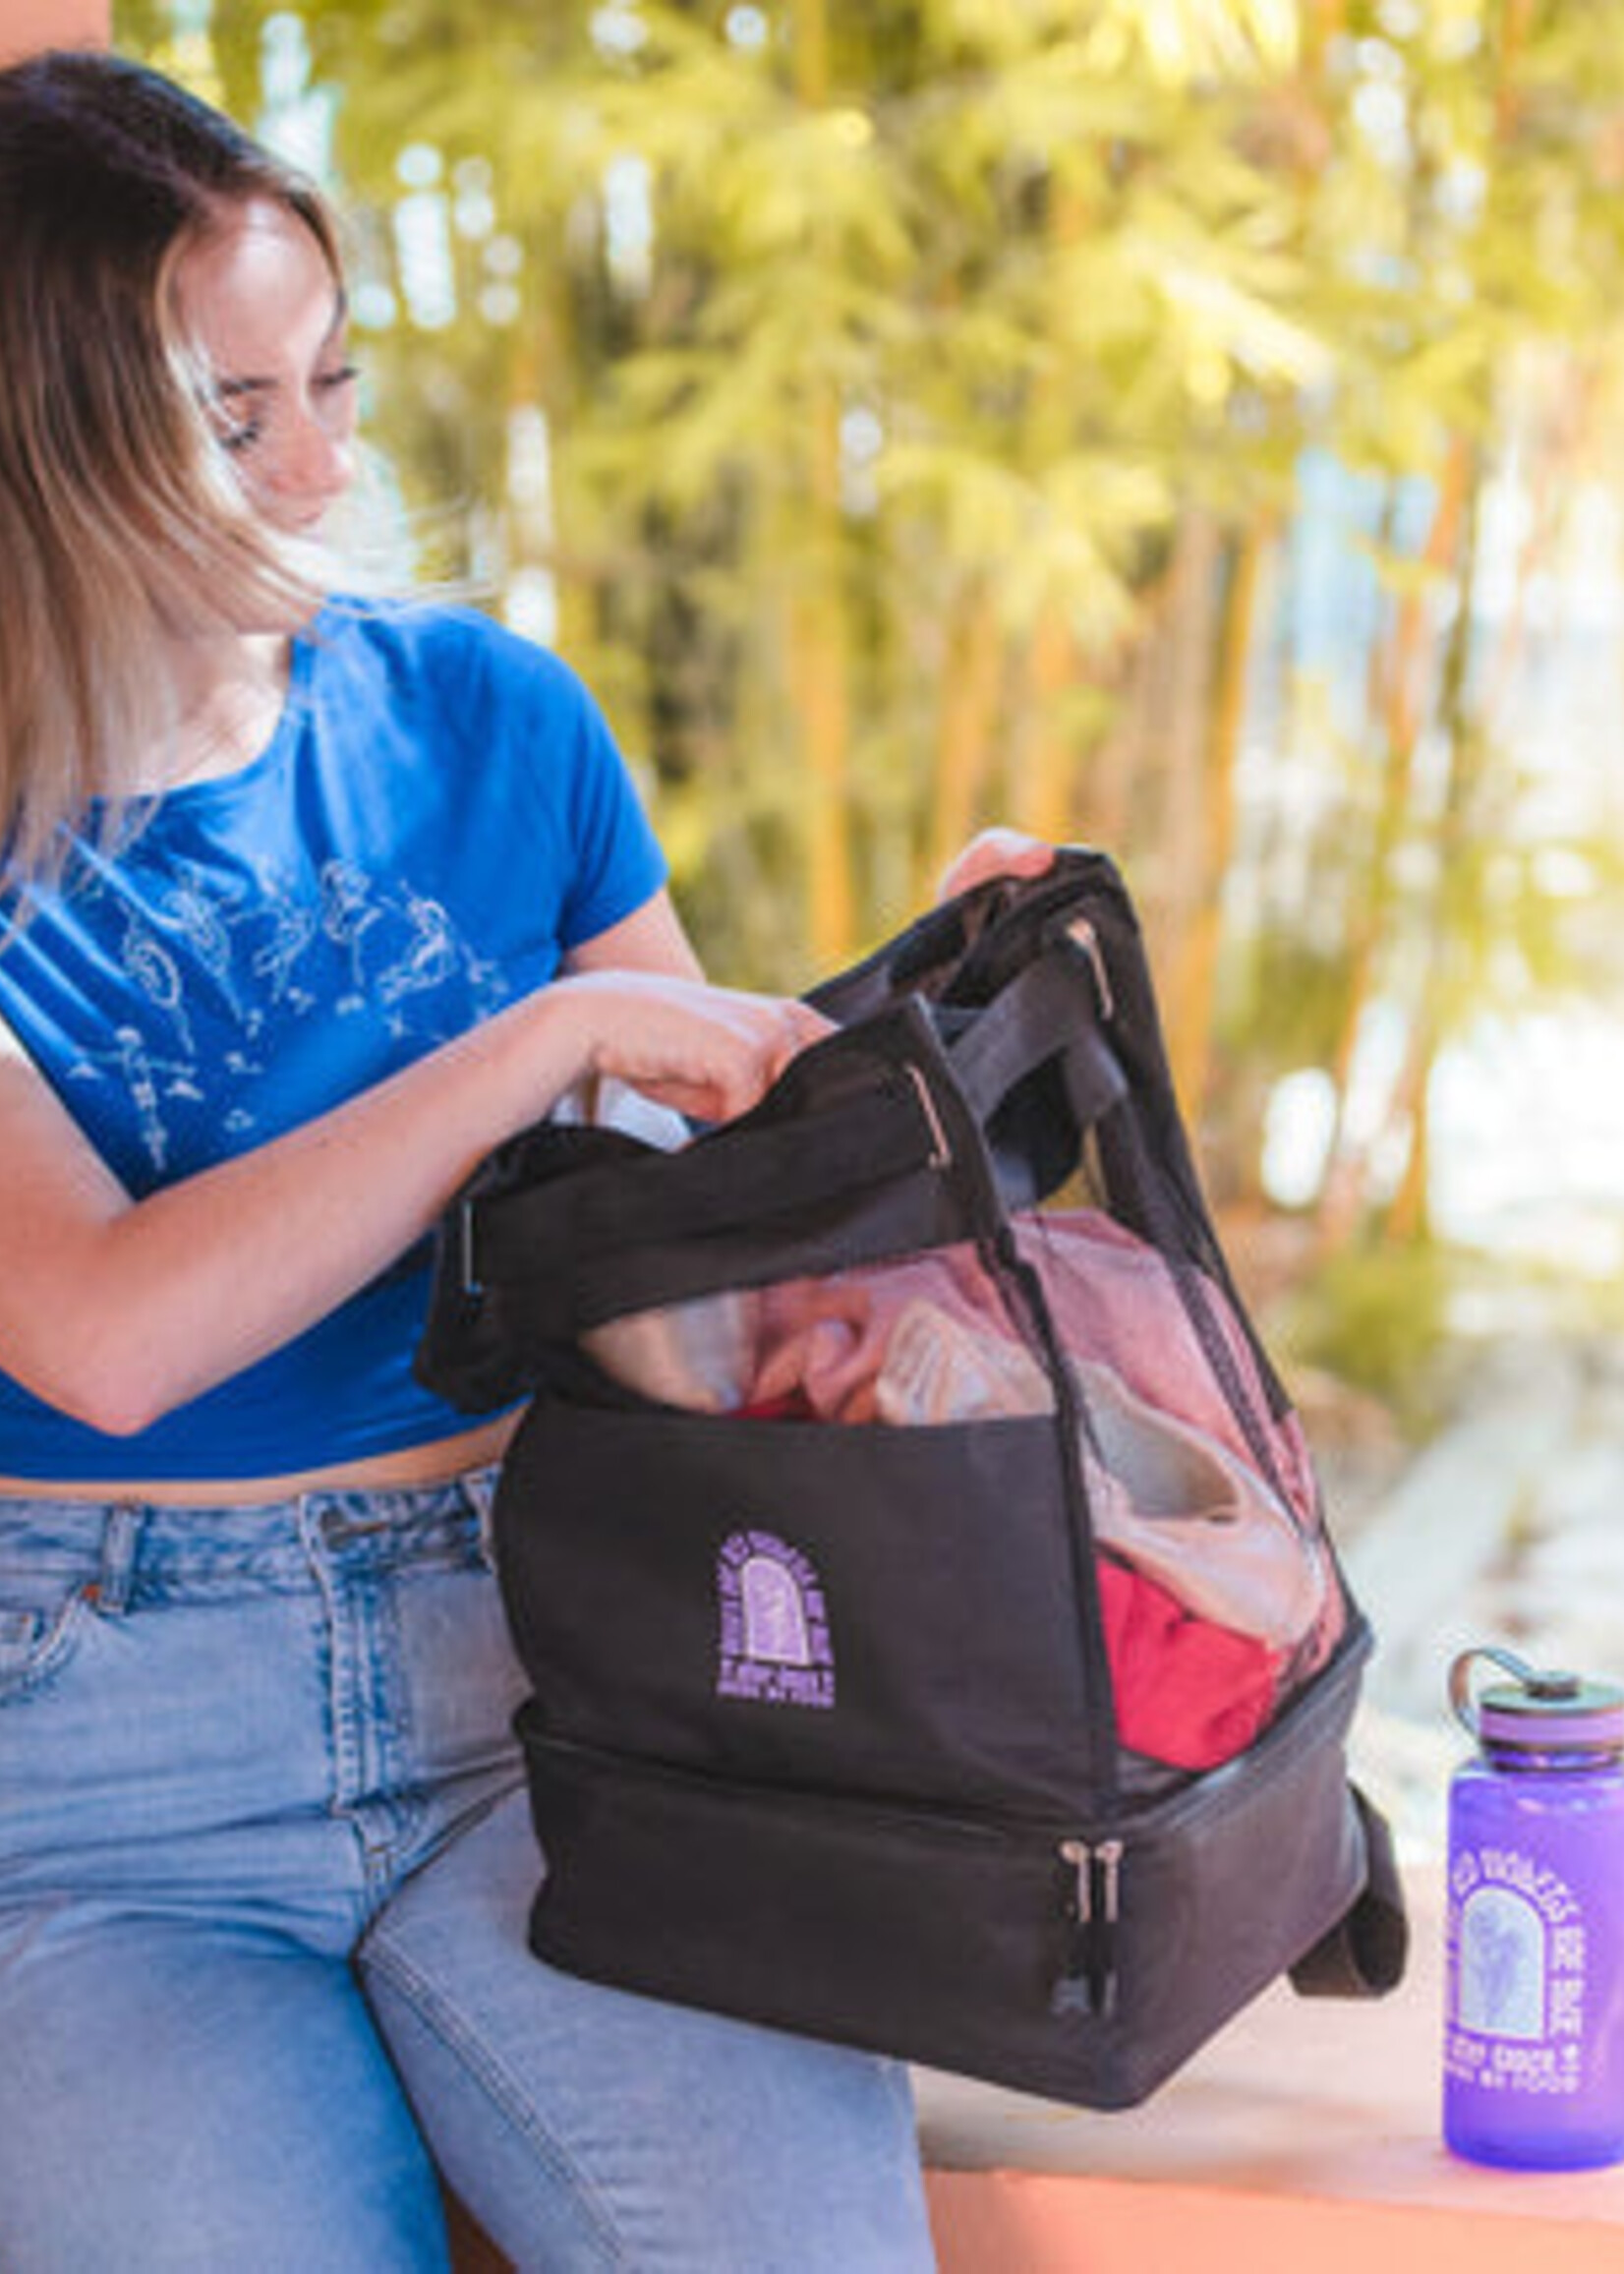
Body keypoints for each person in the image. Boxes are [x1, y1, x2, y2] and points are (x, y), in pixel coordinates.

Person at [0, 48, 1053, 2273]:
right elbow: (101, 1325)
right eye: (231, 412)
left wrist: (927, 1021)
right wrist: (538, 1039)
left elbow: (704, 1221)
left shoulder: (494, 722)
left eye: (333, 379)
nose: (325, 461)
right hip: (92, 1779)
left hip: (554, 1670)